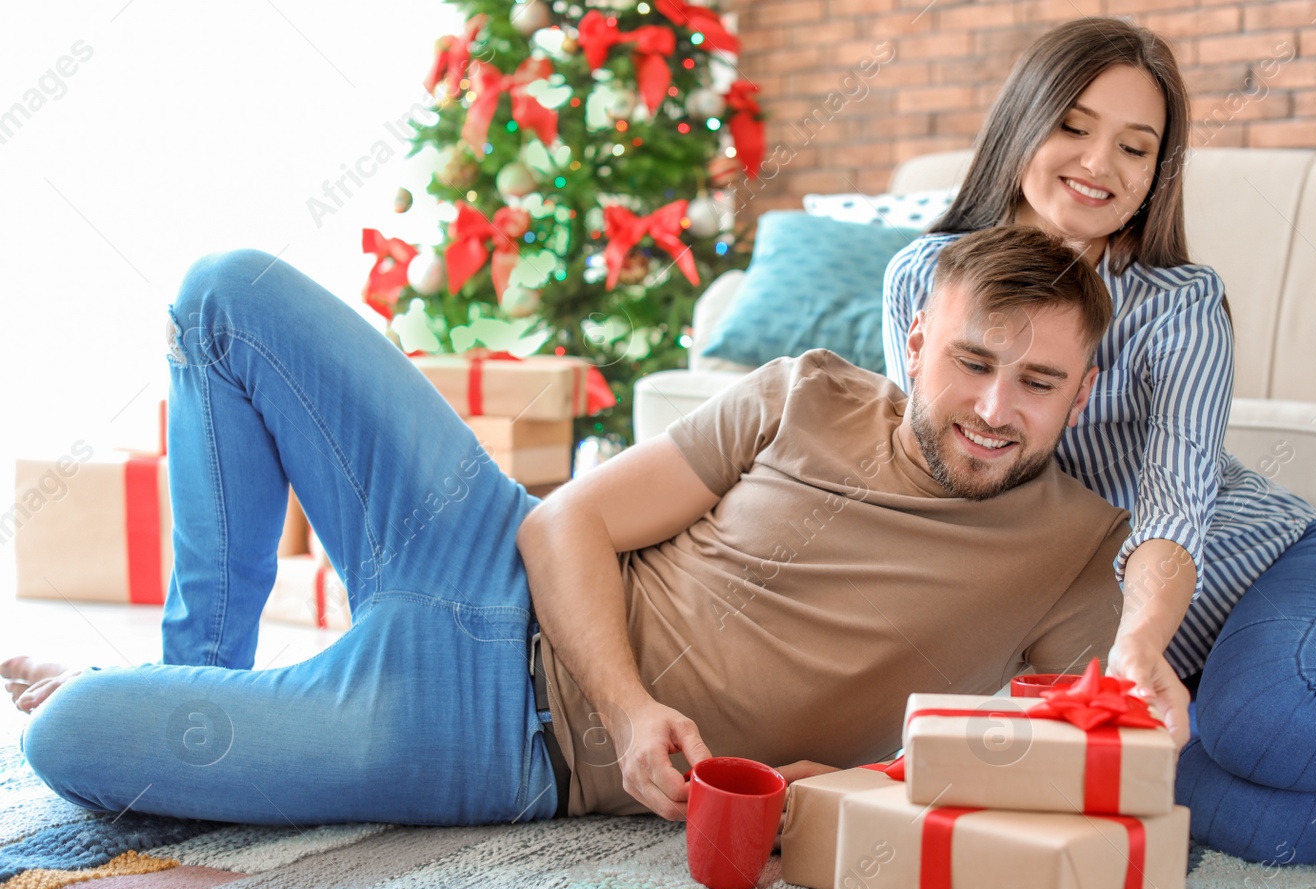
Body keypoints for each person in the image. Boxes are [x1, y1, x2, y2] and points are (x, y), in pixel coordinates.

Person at [7, 224, 1129, 825]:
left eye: (1036, 381)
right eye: (973, 362)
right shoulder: (807, 393)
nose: (995, 408)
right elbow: (561, 528)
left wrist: (844, 786)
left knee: (69, 736)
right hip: (475, 542)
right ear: (919, 344)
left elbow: (1075, 765)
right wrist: (635, 707)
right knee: (225, 290)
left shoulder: (1072, 549)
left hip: (487, 734)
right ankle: (201, 672)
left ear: (1079, 396)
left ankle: (172, 710)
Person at [882, 16, 1316, 864]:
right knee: (1262, 827)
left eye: (1135, 148)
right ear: (1021, 121)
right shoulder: (926, 280)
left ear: (1158, 175)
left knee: (1270, 720)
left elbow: (1174, 500)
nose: (1098, 164)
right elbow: (935, 484)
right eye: (1073, 125)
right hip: (1135, 644)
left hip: (1283, 569)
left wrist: (1140, 638)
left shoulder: (1178, 306)